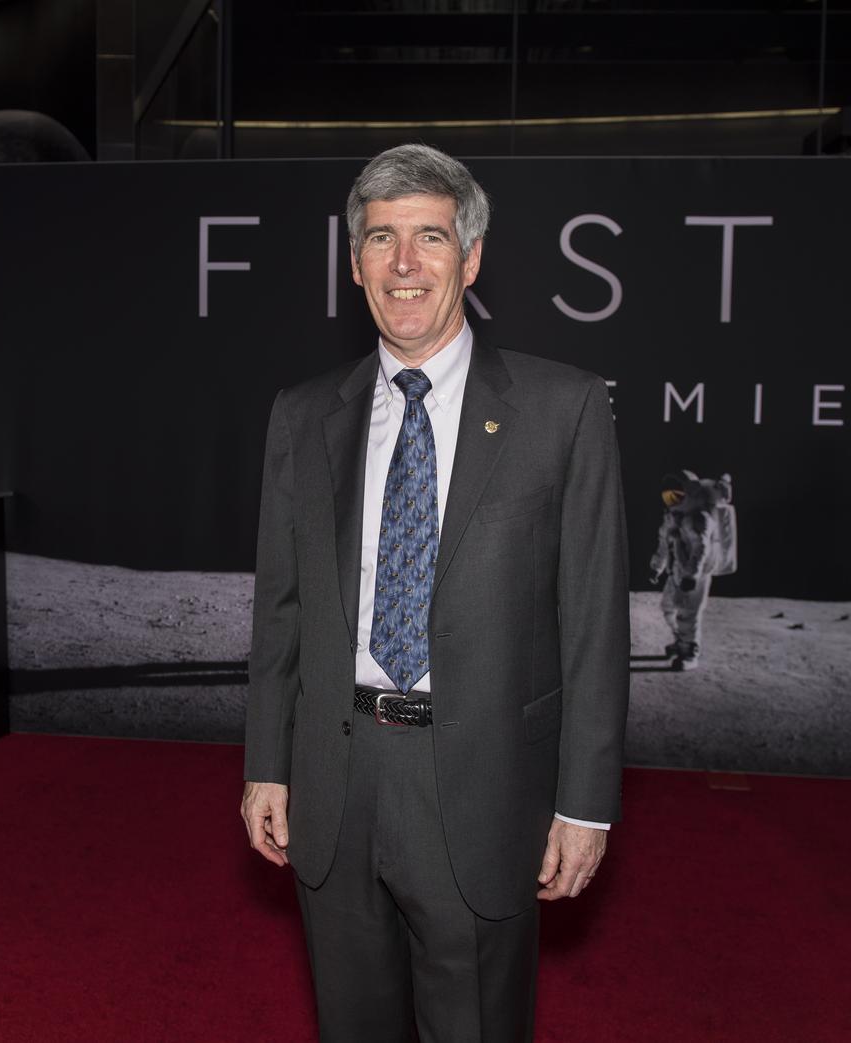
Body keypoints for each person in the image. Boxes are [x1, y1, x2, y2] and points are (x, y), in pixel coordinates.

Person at [240, 144, 630, 1042]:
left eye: (429, 237)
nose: (404, 264)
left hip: (485, 789)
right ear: (354, 263)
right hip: (337, 781)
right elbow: (282, 609)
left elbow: (593, 628)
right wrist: (267, 760)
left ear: (473, 257)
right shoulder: (303, 415)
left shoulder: (562, 410)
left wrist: (584, 803)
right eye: (382, 239)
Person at [649, 469, 736, 670]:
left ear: (691, 494)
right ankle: (682, 641)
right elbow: (664, 543)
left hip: (695, 575)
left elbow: (700, 550)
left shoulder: (699, 519)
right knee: (668, 607)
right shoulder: (673, 517)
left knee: (688, 613)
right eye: (668, 497)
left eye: (677, 496)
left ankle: (689, 653)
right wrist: (657, 567)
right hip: (677, 570)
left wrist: (692, 575)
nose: (671, 501)